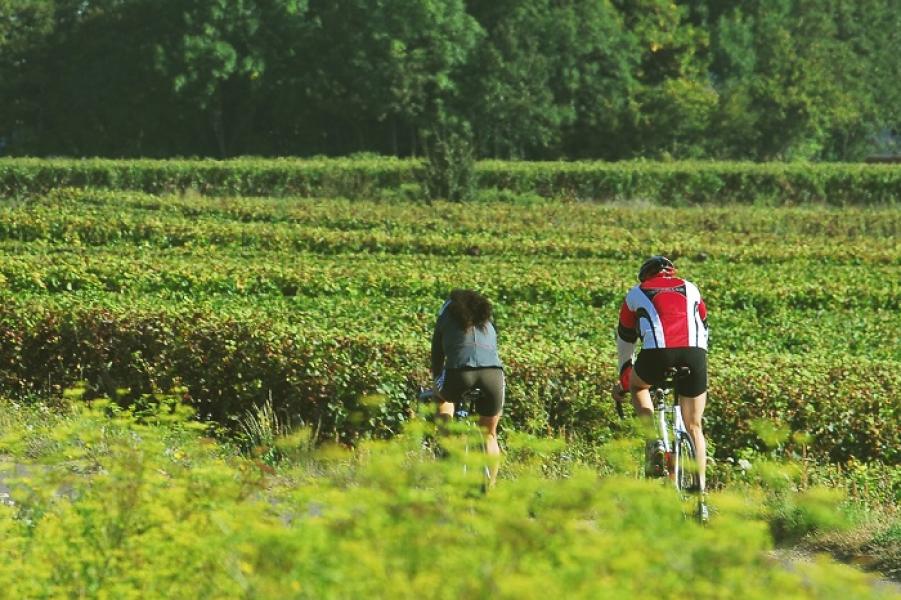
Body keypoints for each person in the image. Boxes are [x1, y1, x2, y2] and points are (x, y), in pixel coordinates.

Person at [611, 256, 710, 520]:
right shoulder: (691, 287)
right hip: (695, 354)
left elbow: (625, 340)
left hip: (657, 354)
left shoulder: (636, 294)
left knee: (639, 387)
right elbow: (704, 326)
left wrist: (625, 378)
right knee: (694, 425)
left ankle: (653, 439)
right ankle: (701, 497)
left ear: (645, 276)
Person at [431, 289, 505, 488]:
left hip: (459, 374)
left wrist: (436, 380)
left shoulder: (446, 316)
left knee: (441, 397)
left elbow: (437, 356)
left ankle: (450, 439)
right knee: (489, 433)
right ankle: (490, 488)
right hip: (493, 375)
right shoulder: (487, 320)